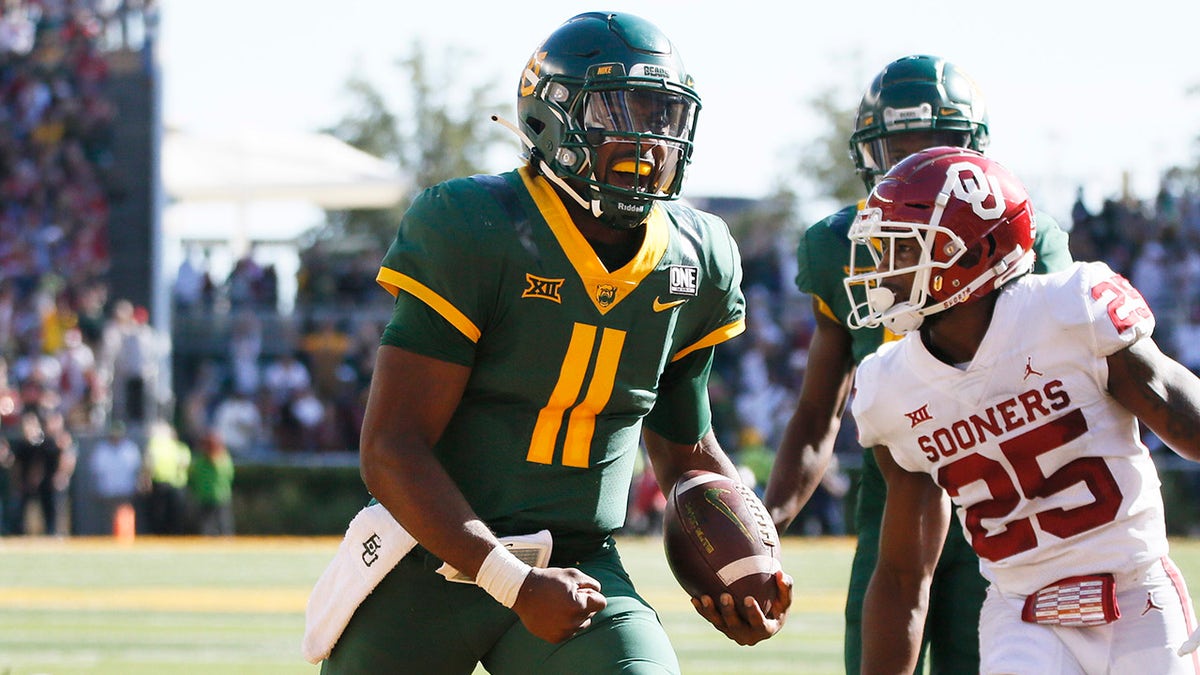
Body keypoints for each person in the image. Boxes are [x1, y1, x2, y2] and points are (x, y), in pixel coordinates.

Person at [311, 11, 790, 673]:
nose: (648, 139)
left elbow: (687, 452)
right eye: (622, 111)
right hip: (428, 559)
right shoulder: (475, 226)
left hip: (577, 562)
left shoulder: (695, 256)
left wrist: (742, 560)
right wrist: (510, 579)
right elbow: (390, 446)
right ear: (553, 120)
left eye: (664, 116)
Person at [762, 54, 1073, 674]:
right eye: (899, 148)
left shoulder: (1021, 234)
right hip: (895, 496)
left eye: (936, 146)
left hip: (1008, 501)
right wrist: (766, 528)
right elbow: (818, 413)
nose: (915, 166)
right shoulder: (838, 246)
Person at [848, 146, 1200, 674]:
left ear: (973, 253)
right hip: (1023, 614)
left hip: (1138, 595)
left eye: (903, 249)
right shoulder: (888, 387)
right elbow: (902, 577)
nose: (883, 270)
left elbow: (1186, 415)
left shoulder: (1070, 310)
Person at [189, 429, 235, 536]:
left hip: (219, 498)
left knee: (223, 526)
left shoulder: (221, 460)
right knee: (208, 527)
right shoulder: (201, 461)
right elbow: (194, 478)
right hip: (208, 497)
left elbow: (227, 476)